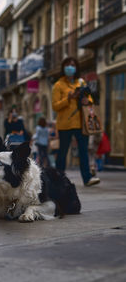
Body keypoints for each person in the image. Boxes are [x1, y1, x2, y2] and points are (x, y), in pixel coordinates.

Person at [52, 56, 100, 186]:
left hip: (81, 123)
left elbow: (90, 99)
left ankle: (87, 179)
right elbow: (55, 106)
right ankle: (59, 179)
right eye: (68, 65)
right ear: (63, 68)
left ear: (76, 68)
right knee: (62, 153)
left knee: (83, 151)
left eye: (73, 65)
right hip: (65, 124)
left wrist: (87, 100)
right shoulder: (58, 85)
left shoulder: (81, 83)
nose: (70, 67)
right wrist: (69, 98)